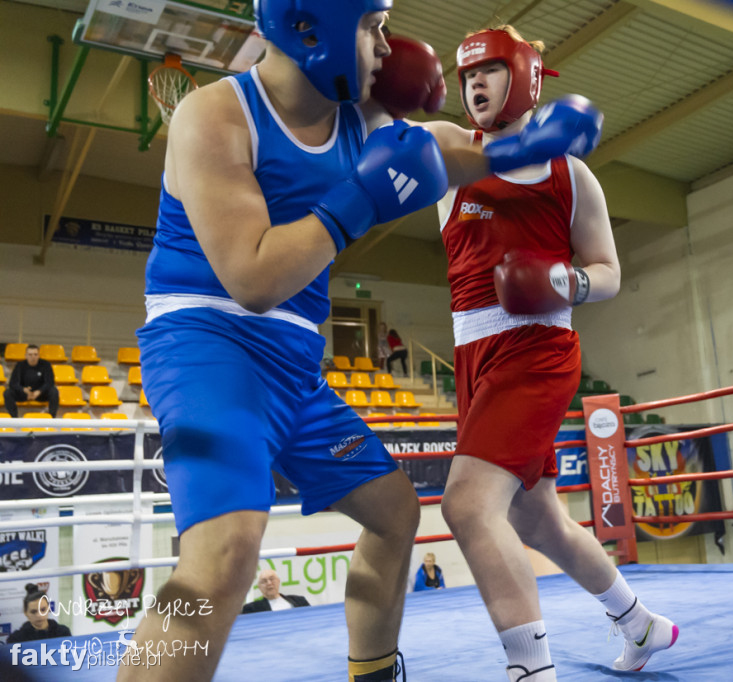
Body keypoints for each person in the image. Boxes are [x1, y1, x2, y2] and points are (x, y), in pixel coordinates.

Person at [121, 2, 603, 679]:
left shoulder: (358, 112)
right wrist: (359, 201)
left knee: (393, 512)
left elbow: (438, 149)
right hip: (209, 350)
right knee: (227, 550)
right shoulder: (217, 116)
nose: (388, 43)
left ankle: (373, 672)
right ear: (310, 27)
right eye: (371, 25)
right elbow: (253, 276)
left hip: (295, 372)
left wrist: (527, 145)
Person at [433, 26, 676, 681]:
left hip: (538, 350)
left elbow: (609, 271)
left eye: (488, 70)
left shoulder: (573, 176)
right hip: (472, 357)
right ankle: (640, 624)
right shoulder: (452, 152)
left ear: (524, 75)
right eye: (466, 76)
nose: (474, 85)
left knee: (466, 505)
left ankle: (531, 671)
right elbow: (382, 129)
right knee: (536, 517)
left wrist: (567, 280)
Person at [3, 345, 59, 418]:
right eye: (30, 354)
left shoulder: (46, 365)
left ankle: (52, 418)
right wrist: (23, 390)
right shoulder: (20, 365)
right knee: (7, 393)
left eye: (35, 354)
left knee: (54, 391)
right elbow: (13, 383)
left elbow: (49, 382)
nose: (33, 357)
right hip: (24, 393)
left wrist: (39, 391)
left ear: (39, 355)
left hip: (41, 394)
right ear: (26, 355)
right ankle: (14, 418)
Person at [6, 584, 71, 644]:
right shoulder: (16, 639)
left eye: (43, 610)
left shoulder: (63, 633)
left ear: (48, 608)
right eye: (33, 612)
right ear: (25, 613)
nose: (39, 615)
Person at [241, 569, 310, 613]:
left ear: (278, 581)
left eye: (272, 579)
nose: (269, 583)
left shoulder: (300, 601)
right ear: (259, 587)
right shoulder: (252, 609)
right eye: (264, 581)